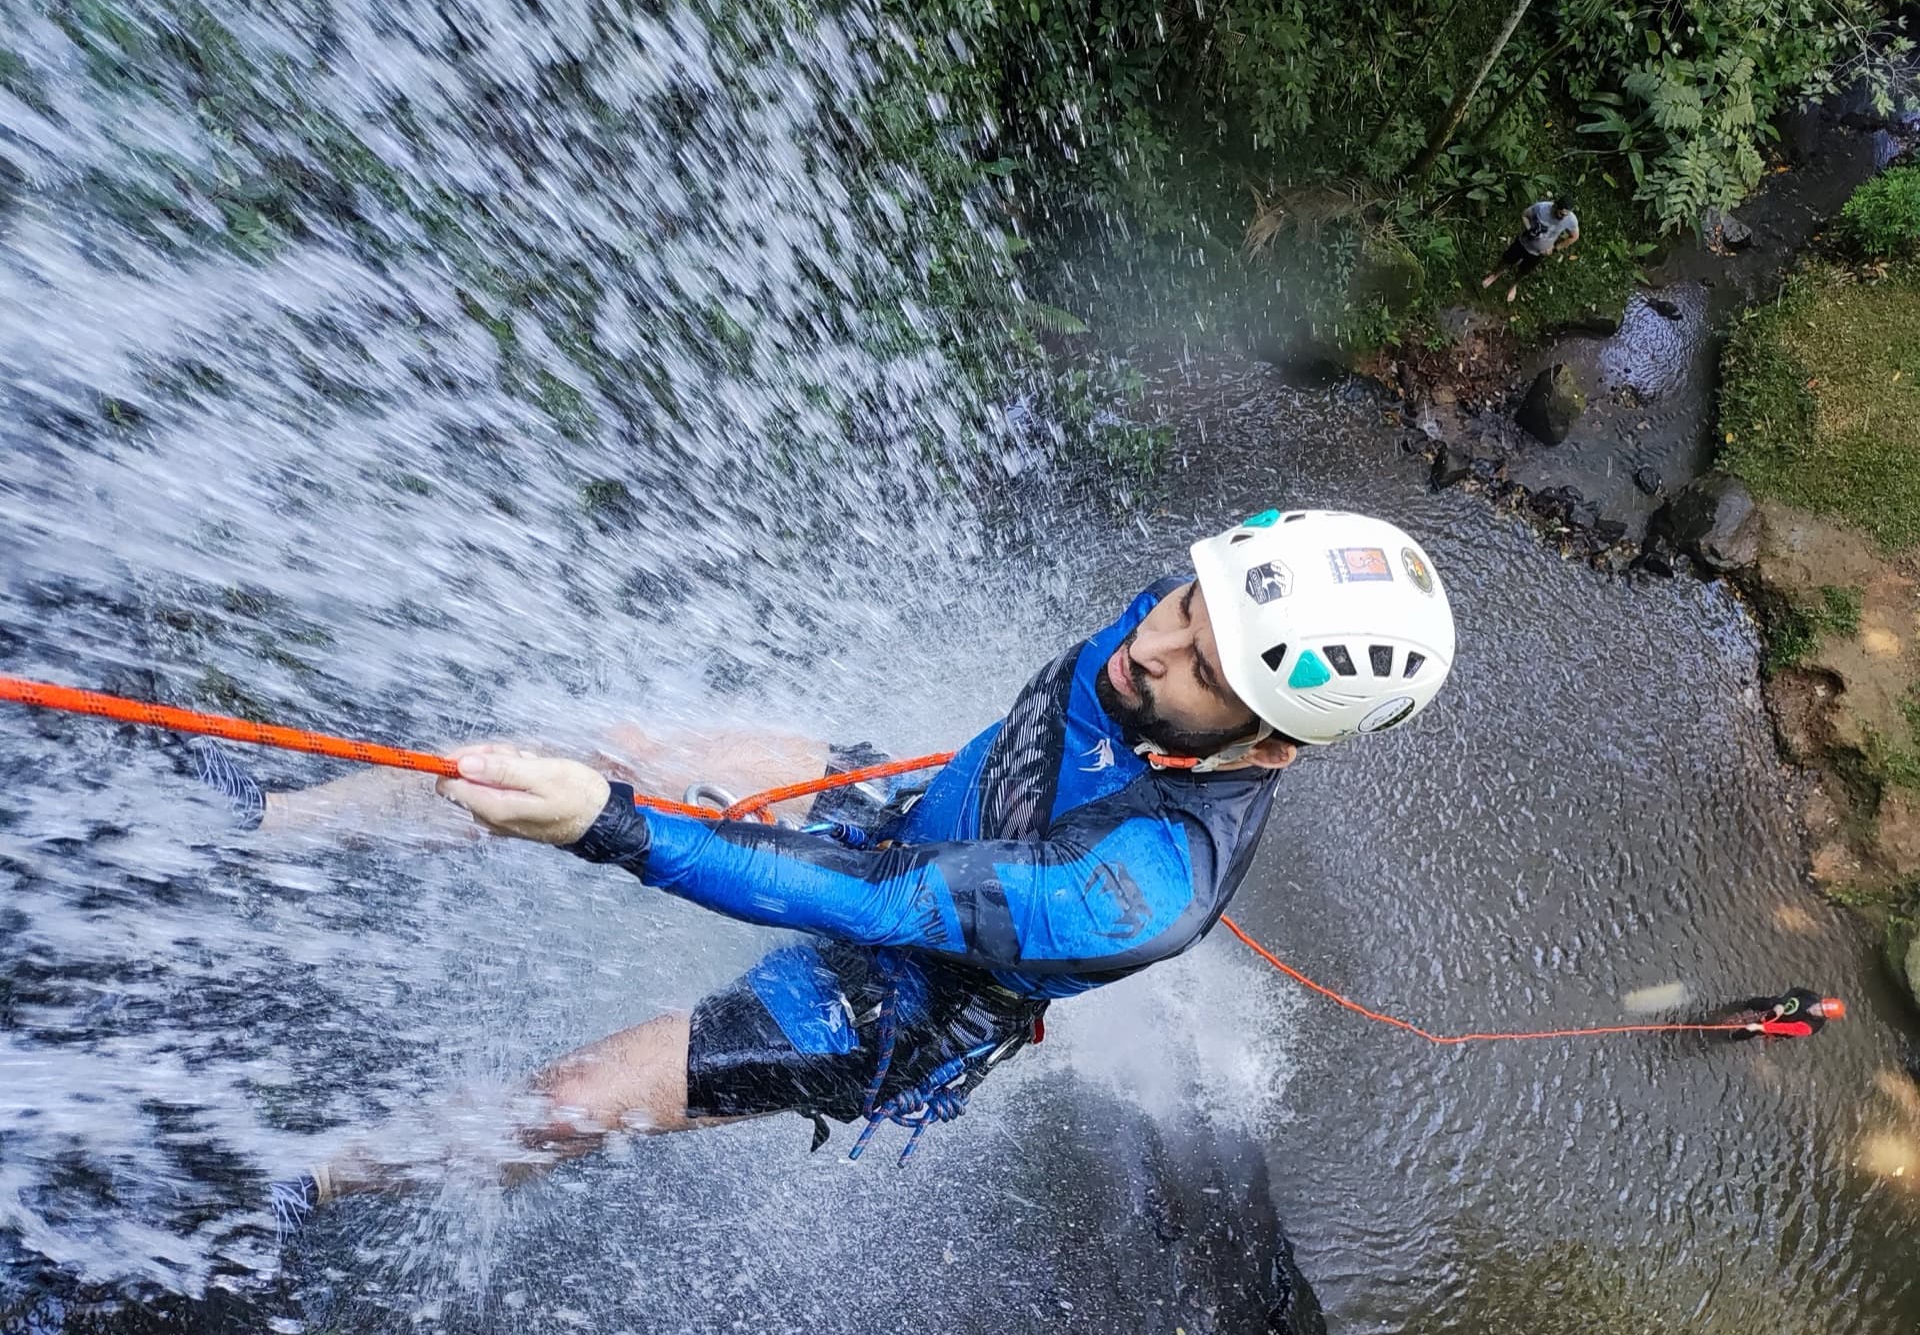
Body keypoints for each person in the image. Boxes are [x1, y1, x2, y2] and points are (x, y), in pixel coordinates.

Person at [247, 509, 1456, 1227]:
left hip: (914, 993)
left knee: (572, 1101)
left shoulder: (1140, 886)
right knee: (617, 750)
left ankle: (302, 1182)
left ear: (1275, 740)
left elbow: (880, 903)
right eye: (1185, 602)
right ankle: (268, 816)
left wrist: (604, 827)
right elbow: (964, 805)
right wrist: (614, 792)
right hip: (919, 815)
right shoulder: (1180, 633)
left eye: (1201, 666)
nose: (1153, 641)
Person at [1480, 198, 1580, 303]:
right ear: (1555, 206)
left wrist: (1556, 248)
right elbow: (1524, 214)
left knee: (1524, 270)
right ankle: (1495, 275)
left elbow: (1574, 236)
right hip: (1523, 243)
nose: (1563, 217)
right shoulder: (1541, 208)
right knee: (1507, 260)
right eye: (1561, 214)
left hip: (1539, 252)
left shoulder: (1571, 219)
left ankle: (1514, 285)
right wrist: (1529, 228)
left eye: (1566, 215)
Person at [1716, 988, 1845, 1039]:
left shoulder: (1810, 1027)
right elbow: (1795, 991)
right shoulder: (1812, 997)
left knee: (1748, 1031)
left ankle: (1729, 1038)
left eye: (1821, 1011)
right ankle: (1738, 1007)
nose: (1817, 1008)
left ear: (1824, 1016)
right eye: (1820, 1005)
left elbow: (1785, 1028)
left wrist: (1760, 1027)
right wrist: (1781, 1004)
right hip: (1776, 1006)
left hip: (1778, 1024)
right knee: (1755, 1003)